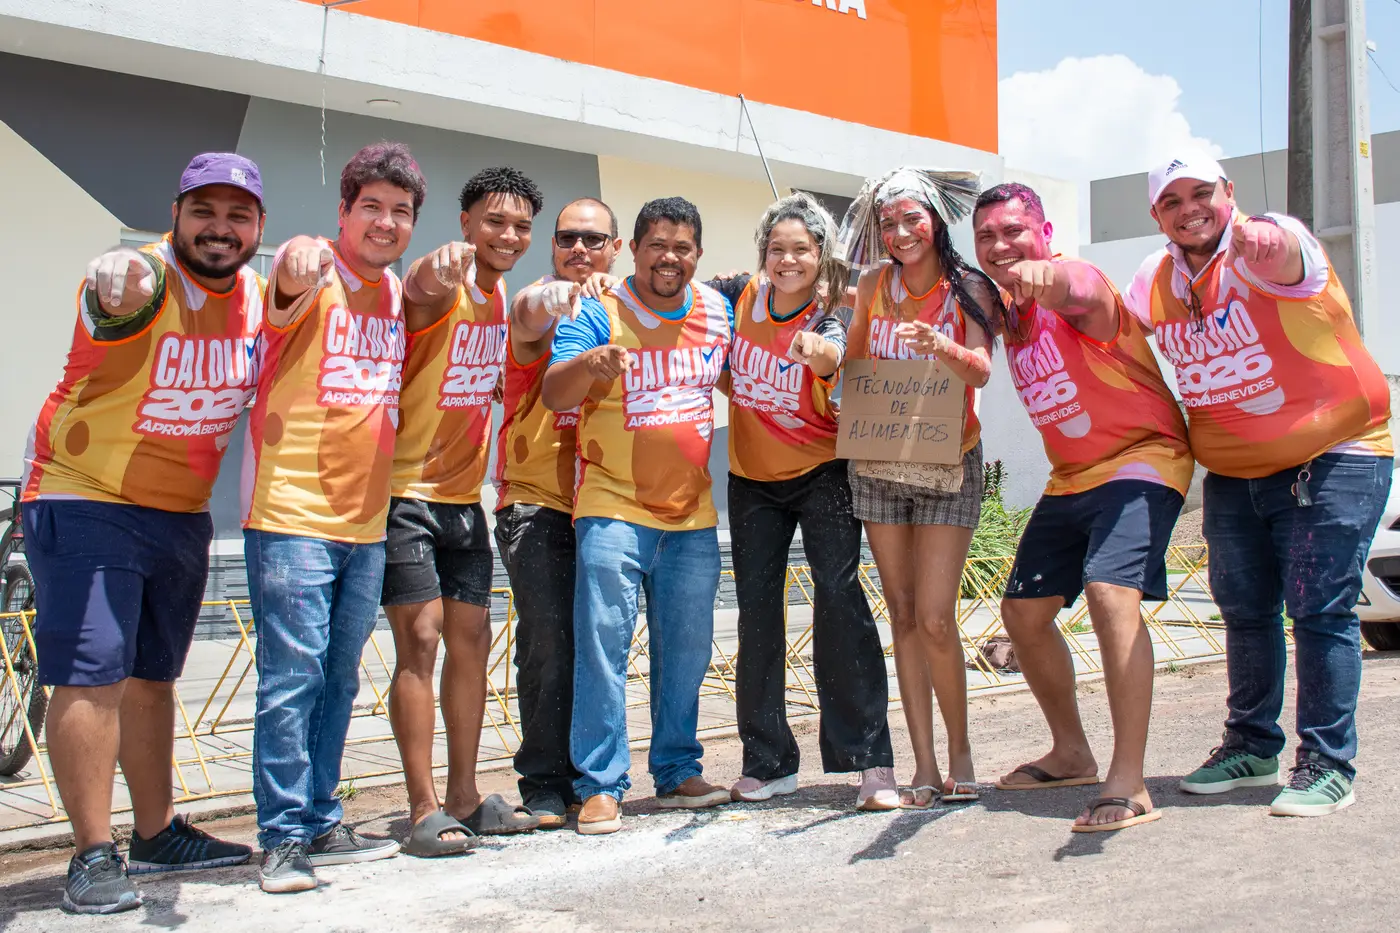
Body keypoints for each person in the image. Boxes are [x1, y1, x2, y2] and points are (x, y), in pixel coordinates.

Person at [21, 153, 263, 913]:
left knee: (153, 676)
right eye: (203, 212)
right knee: (91, 673)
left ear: (258, 226)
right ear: (176, 214)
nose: (220, 228)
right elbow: (113, 289)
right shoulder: (144, 276)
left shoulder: (255, 297)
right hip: (86, 496)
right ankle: (92, 854)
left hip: (181, 512)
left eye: (238, 215)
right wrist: (114, 275)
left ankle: (156, 834)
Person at [1126, 154, 1393, 817]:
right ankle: (1251, 746)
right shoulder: (1155, 277)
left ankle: (1327, 764)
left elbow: (1282, 251)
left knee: (1320, 610)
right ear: (1156, 215)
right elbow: (1105, 324)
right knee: (1245, 612)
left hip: (1333, 455)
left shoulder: (1274, 241)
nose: (1190, 208)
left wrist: (1257, 240)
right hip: (1233, 470)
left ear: (1229, 193)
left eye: (1202, 193)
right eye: (1172, 201)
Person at [971, 182, 1193, 832]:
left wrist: (1048, 275)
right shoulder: (1006, 309)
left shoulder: (1078, 281)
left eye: (1014, 231)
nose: (1001, 245)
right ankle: (1071, 751)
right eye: (987, 236)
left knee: (1110, 592)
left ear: (1044, 232)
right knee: (1023, 614)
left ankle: (1130, 780)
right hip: (1072, 477)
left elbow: (1078, 288)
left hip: (1143, 457)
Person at [242, 142, 423, 891]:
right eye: (370, 207)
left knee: (338, 679)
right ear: (343, 212)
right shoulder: (312, 270)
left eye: (400, 211)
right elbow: (284, 281)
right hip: (291, 515)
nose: (385, 222)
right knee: (291, 677)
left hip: (366, 523)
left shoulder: (396, 295)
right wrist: (295, 262)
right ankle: (282, 835)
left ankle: (320, 815)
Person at [542, 197, 734, 835]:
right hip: (611, 506)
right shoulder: (599, 308)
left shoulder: (718, 310)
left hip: (692, 514)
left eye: (682, 247)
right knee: (603, 647)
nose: (668, 258)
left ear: (698, 254)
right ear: (633, 250)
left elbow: (741, 378)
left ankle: (677, 770)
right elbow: (554, 390)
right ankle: (600, 784)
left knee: (687, 649)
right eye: (657, 245)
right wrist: (590, 363)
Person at [706, 193, 897, 810]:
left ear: (822, 255)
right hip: (751, 480)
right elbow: (680, 297)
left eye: (801, 250)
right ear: (761, 254)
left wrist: (819, 353)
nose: (787, 260)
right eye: (776, 249)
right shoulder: (738, 296)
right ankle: (767, 761)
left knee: (839, 602)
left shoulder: (832, 310)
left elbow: (834, 350)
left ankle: (870, 761)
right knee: (757, 614)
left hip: (823, 473)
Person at [383, 167, 544, 855]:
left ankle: (464, 797)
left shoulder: (499, 293)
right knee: (419, 641)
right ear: (465, 224)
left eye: (520, 226)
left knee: (471, 642)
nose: (507, 235)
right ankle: (422, 808)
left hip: (463, 500)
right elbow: (418, 288)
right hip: (404, 496)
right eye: (493, 222)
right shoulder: (444, 280)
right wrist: (435, 266)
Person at [841, 167, 1004, 809]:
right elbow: (855, 360)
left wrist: (940, 344)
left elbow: (982, 372)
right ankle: (925, 765)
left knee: (936, 617)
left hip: (948, 460)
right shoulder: (873, 286)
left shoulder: (969, 287)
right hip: (879, 458)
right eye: (888, 222)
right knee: (903, 614)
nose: (901, 232)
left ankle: (961, 753)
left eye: (912, 218)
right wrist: (828, 367)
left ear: (936, 219)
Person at [494, 197, 623, 828]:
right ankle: (543, 780)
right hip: (537, 500)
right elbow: (526, 312)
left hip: (607, 500)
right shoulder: (543, 305)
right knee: (547, 641)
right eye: (567, 238)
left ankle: (591, 774)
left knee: (596, 646)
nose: (580, 249)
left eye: (594, 240)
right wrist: (562, 296)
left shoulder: (625, 307)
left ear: (616, 248)